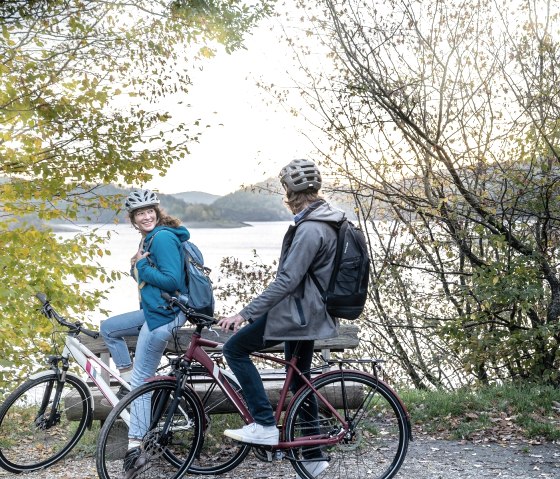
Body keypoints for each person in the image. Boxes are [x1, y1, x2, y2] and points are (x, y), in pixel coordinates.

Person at [218, 159, 344, 479]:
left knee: (235, 349)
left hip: (298, 315)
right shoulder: (325, 220)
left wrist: (244, 313)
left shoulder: (311, 227)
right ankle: (314, 457)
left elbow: (287, 281)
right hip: (310, 313)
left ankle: (263, 424)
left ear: (289, 191)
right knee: (300, 381)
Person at [99, 189, 189, 479]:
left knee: (142, 382)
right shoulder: (148, 238)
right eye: (140, 213)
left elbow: (172, 280)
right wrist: (134, 265)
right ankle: (126, 377)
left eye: (149, 211)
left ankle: (136, 449)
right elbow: (146, 275)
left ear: (157, 211)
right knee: (109, 329)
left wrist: (140, 265)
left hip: (165, 315)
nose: (146, 216)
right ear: (133, 219)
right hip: (155, 310)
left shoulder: (161, 237)